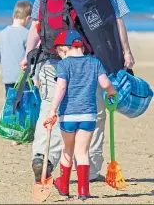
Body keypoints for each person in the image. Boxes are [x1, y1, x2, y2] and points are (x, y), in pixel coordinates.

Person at [20, 0, 135, 183]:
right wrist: (126, 52)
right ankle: (90, 169)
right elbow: (118, 20)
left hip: (53, 57)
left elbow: (37, 22)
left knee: (50, 107)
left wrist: (27, 55)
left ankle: (44, 157)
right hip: (91, 59)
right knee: (94, 111)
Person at [46, 29, 117, 200]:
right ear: (82, 48)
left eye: (58, 52)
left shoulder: (64, 65)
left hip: (68, 116)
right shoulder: (94, 62)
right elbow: (106, 84)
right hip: (88, 116)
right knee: (82, 152)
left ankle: (63, 187)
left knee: (67, 150)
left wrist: (52, 110)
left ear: (64, 49)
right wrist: (112, 93)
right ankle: (84, 192)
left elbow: (61, 88)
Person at [0, 0, 33, 145]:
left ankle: (13, 134)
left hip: (8, 78)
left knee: (12, 104)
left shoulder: (3, 33)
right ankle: (20, 134)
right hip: (23, 78)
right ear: (27, 18)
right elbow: (30, 57)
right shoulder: (26, 34)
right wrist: (35, 75)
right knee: (24, 105)